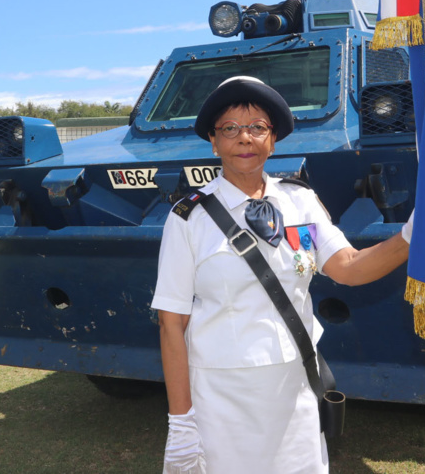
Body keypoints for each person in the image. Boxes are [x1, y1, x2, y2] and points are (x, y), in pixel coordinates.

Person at [151, 76, 411, 474]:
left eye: (257, 127)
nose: (244, 138)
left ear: (272, 140)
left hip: (296, 386)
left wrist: (413, 235)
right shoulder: (189, 218)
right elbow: (172, 323)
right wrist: (182, 420)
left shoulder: (299, 201)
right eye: (230, 129)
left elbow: (350, 267)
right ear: (214, 141)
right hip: (222, 395)